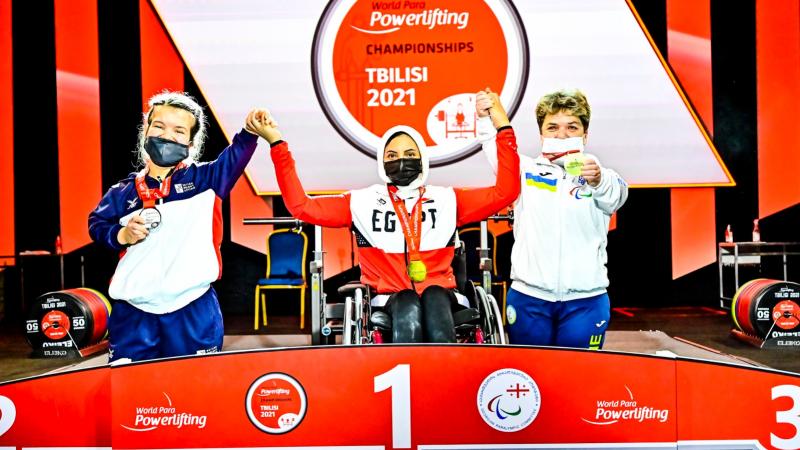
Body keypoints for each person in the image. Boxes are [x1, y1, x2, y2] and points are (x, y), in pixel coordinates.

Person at [263, 95, 520, 343]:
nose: (401, 161)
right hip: (387, 300)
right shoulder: (362, 202)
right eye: (392, 156)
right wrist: (277, 145)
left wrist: (501, 125)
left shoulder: (448, 200)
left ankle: (444, 376)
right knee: (407, 298)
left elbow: (506, 192)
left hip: (442, 297)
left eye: (409, 154)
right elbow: (301, 206)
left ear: (422, 158)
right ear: (381, 162)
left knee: (433, 296)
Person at [88, 91, 274, 362]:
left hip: (192, 308)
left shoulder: (206, 180)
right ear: (146, 131)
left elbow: (235, 156)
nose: (167, 136)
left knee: (194, 394)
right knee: (132, 395)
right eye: (159, 126)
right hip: (133, 311)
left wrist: (249, 131)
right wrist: (121, 234)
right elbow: (96, 223)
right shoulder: (122, 192)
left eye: (179, 130)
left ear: (190, 141)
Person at [477, 88, 628, 349]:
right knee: (531, 381)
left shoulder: (603, 177)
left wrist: (598, 179)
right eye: (553, 127)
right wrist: (483, 118)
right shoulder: (524, 171)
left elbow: (615, 197)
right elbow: (495, 148)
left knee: (579, 381)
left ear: (585, 134)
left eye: (572, 127)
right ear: (541, 133)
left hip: (586, 303)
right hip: (529, 299)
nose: (561, 134)